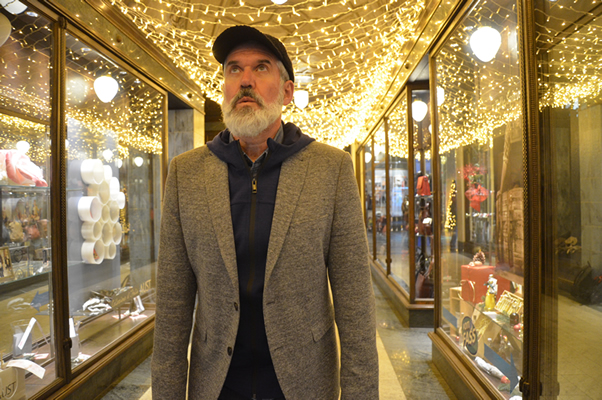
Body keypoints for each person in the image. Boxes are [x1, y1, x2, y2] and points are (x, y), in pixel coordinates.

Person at [152, 25, 378, 400]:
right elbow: (173, 304)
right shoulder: (186, 174)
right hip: (217, 385)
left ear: (287, 91)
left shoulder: (330, 169)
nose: (245, 80)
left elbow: (355, 302)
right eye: (234, 69)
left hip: (303, 383)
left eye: (260, 67)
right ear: (223, 88)